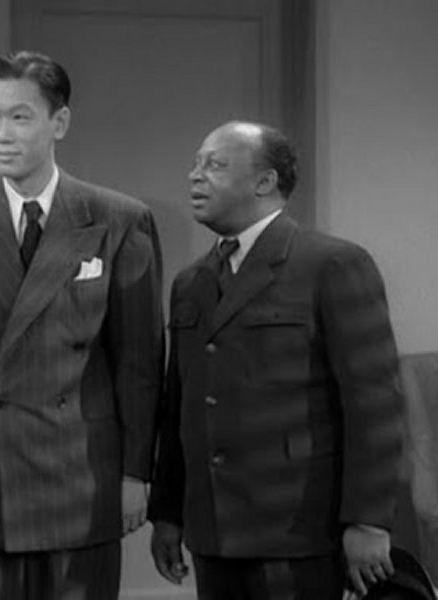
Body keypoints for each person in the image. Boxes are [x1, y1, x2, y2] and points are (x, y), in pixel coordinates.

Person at [0, 50, 164, 599]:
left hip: (82, 474)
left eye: (20, 117)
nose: (1, 134)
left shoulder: (119, 220)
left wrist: (135, 474)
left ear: (59, 122)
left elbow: (140, 363)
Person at [148, 121, 405, 599]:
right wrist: (167, 514)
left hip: (298, 532)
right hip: (213, 532)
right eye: (196, 164)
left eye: (214, 165)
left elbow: (374, 405)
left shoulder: (331, 265)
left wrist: (369, 521)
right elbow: (179, 406)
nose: (195, 176)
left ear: (265, 181)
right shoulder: (191, 283)